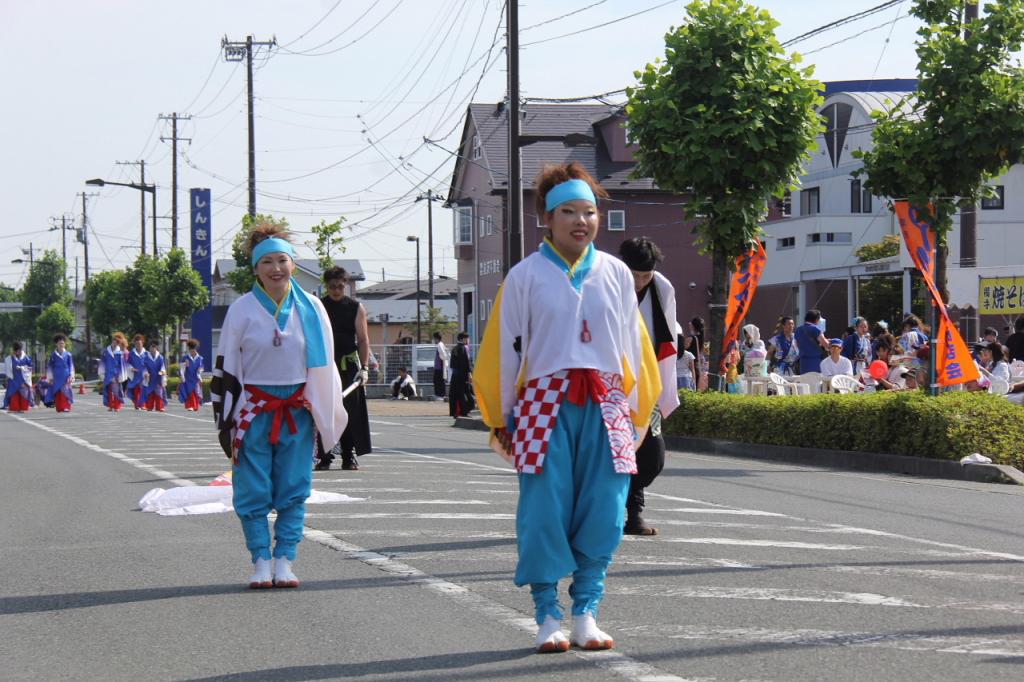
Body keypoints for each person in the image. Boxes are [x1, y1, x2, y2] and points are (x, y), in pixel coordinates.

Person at [474, 162, 660, 653]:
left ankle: (586, 612)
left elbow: (634, 346)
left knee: (605, 506)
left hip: (607, 402)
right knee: (543, 509)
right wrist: (500, 416)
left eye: (591, 212)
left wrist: (640, 414)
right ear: (547, 219)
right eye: (569, 212)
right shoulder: (524, 276)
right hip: (542, 404)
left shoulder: (617, 273)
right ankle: (545, 614)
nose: (582, 221)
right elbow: (504, 351)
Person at [210, 222, 347, 589]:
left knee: (294, 485)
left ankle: (285, 559)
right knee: (251, 487)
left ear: (293, 264)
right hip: (253, 409)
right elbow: (226, 366)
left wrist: (321, 407)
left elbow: (326, 364)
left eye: (282, 260)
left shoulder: (313, 308)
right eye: (267, 262)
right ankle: (260, 559)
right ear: (255, 268)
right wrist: (226, 417)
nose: (276, 269)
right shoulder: (241, 310)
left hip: (298, 410)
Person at [618, 236, 679, 537]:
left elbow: (668, 341)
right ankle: (629, 513)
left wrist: (666, 385)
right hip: (609, 382)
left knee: (651, 453)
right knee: (612, 450)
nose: (641, 282)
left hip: (646, 381)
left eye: (646, 275)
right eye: (635, 275)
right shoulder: (604, 284)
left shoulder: (662, 288)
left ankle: (629, 507)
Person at [316, 266, 372, 471]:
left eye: (340, 286)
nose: (336, 291)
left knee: (348, 411)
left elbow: (363, 340)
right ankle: (324, 456)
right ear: (326, 286)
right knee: (323, 410)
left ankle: (349, 455)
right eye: (332, 287)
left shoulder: (356, 307)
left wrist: (364, 367)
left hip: (348, 366)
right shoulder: (319, 307)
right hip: (325, 365)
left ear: (345, 285)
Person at [45, 334, 75, 413]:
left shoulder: (68, 355)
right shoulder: (53, 355)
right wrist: (50, 378)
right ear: (56, 344)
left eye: (62, 343)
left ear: (64, 344)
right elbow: (50, 367)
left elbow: (71, 366)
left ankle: (66, 407)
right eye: (59, 343)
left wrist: (71, 375)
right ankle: (59, 407)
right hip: (57, 376)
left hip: (66, 375)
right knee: (58, 392)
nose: (61, 345)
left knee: (66, 391)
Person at [448, 331, 475, 417]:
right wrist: (469, 373)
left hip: (455, 375)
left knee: (455, 394)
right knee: (466, 393)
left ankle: (454, 412)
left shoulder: (454, 348)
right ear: (463, 339)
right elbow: (467, 362)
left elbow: (452, 364)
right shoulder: (464, 348)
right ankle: (464, 411)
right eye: (467, 338)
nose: (468, 340)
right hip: (463, 375)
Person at [3, 341, 34, 412]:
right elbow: (7, 370)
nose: (17, 352)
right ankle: (14, 407)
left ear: (21, 350)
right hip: (13, 380)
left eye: (18, 350)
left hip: (23, 380)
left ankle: (23, 407)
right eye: (15, 351)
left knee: (24, 395)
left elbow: (30, 368)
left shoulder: (27, 358)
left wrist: (22, 368)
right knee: (14, 394)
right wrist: (7, 379)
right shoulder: (9, 358)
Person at [100, 332, 127, 411]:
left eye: (117, 342)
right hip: (108, 373)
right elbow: (102, 362)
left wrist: (121, 375)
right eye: (114, 341)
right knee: (108, 390)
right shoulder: (106, 352)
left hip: (116, 374)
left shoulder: (119, 353)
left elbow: (122, 365)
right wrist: (101, 372)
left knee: (116, 390)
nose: (115, 343)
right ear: (112, 341)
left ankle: (117, 406)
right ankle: (110, 405)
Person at [178, 339, 204, 411]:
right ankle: (190, 406)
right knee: (189, 392)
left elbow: (202, 367)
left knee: (196, 391)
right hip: (188, 377)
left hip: (195, 377)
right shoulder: (185, 357)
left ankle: (196, 406)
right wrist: (184, 365)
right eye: (191, 350)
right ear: (189, 350)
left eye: (194, 350)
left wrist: (200, 370)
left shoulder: (200, 358)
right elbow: (181, 367)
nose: (192, 352)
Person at [142, 341, 168, 411]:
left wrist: (162, 372)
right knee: (150, 393)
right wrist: (146, 373)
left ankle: (160, 407)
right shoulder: (146, 357)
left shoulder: (160, 357)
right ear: (149, 349)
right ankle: (149, 407)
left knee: (159, 393)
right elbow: (144, 367)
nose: (152, 350)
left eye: (154, 348)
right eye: (151, 348)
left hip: (158, 378)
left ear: (156, 348)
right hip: (150, 378)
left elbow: (162, 366)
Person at [126, 334, 148, 409]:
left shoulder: (146, 353)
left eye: (139, 343)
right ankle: (137, 403)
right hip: (135, 375)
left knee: (143, 389)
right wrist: (132, 368)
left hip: (143, 375)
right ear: (134, 344)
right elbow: (127, 363)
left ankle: (142, 405)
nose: (138, 345)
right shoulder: (131, 354)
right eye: (137, 344)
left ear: (142, 343)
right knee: (135, 390)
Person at [685, 317, 706, 389]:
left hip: (689, 366)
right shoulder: (701, 338)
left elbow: (682, 348)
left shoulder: (691, 338)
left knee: (690, 386)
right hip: (697, 366)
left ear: (693, 325)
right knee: (696, 386)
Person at [432, 331, 449, 401]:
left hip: (440, 367)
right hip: (438, 367)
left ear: (436, 338)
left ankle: (440, 395)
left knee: (439, 381)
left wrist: (442, 359)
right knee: (437, 380)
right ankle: (439, 395)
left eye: (434, 339)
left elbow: (443, 355)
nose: (434, 340)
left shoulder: (439, 345)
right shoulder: (441, 344)